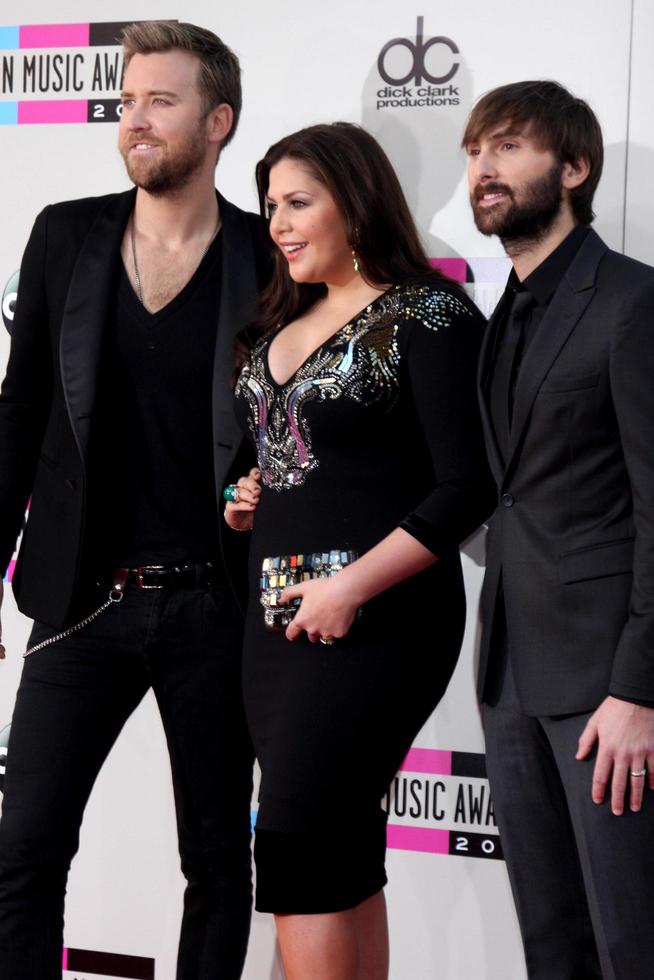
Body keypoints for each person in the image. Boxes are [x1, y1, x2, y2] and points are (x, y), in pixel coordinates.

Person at [0, 21, 270, 980]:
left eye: (162, 100)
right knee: (23, 853)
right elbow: (19, 414)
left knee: (216, 864)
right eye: (126, 101)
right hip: (82, 601)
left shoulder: (266, 253)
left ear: (218, 120)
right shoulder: (65, 235)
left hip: (216, 605)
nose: (134, 119)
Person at [224, 121, 492, 980]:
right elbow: (272, 460)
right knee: (334, 847)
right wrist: (241, 500)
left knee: (300, 842)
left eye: (299, 202)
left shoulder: (430, 313)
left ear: (357, 200)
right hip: (275, 630)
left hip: (377, 622)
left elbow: (465, 488)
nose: (279, 224)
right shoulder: (282, 317)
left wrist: (348, 588)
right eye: (271, 207)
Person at [464, 79, 654, 979]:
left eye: (506, 147)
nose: (482, 169)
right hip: (507, 672)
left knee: (630, 940)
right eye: (473, 152)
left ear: (573, 168)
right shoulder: (501, 314)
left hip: (605, 691)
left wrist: (639, 690)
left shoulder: (632, 302)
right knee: (553, 942)